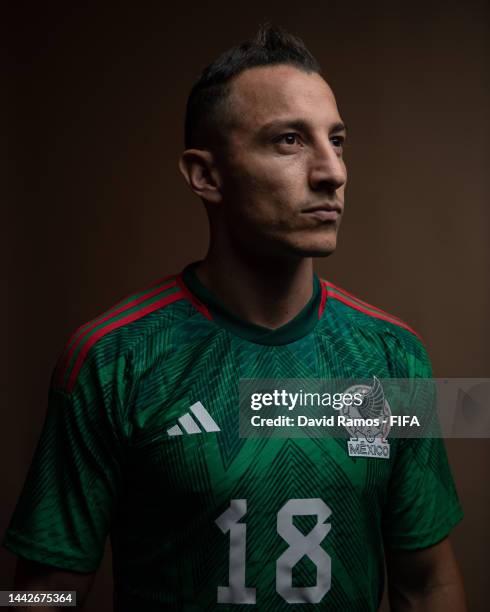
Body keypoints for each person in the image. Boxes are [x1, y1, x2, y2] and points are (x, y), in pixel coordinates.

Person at [3, 24, 467, 611]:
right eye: (289, 141)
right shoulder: (112, 358)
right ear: (206, 175)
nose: (333, 172)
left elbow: (426, 584)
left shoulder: (393, 358)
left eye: (338, 140)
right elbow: (40, 595)